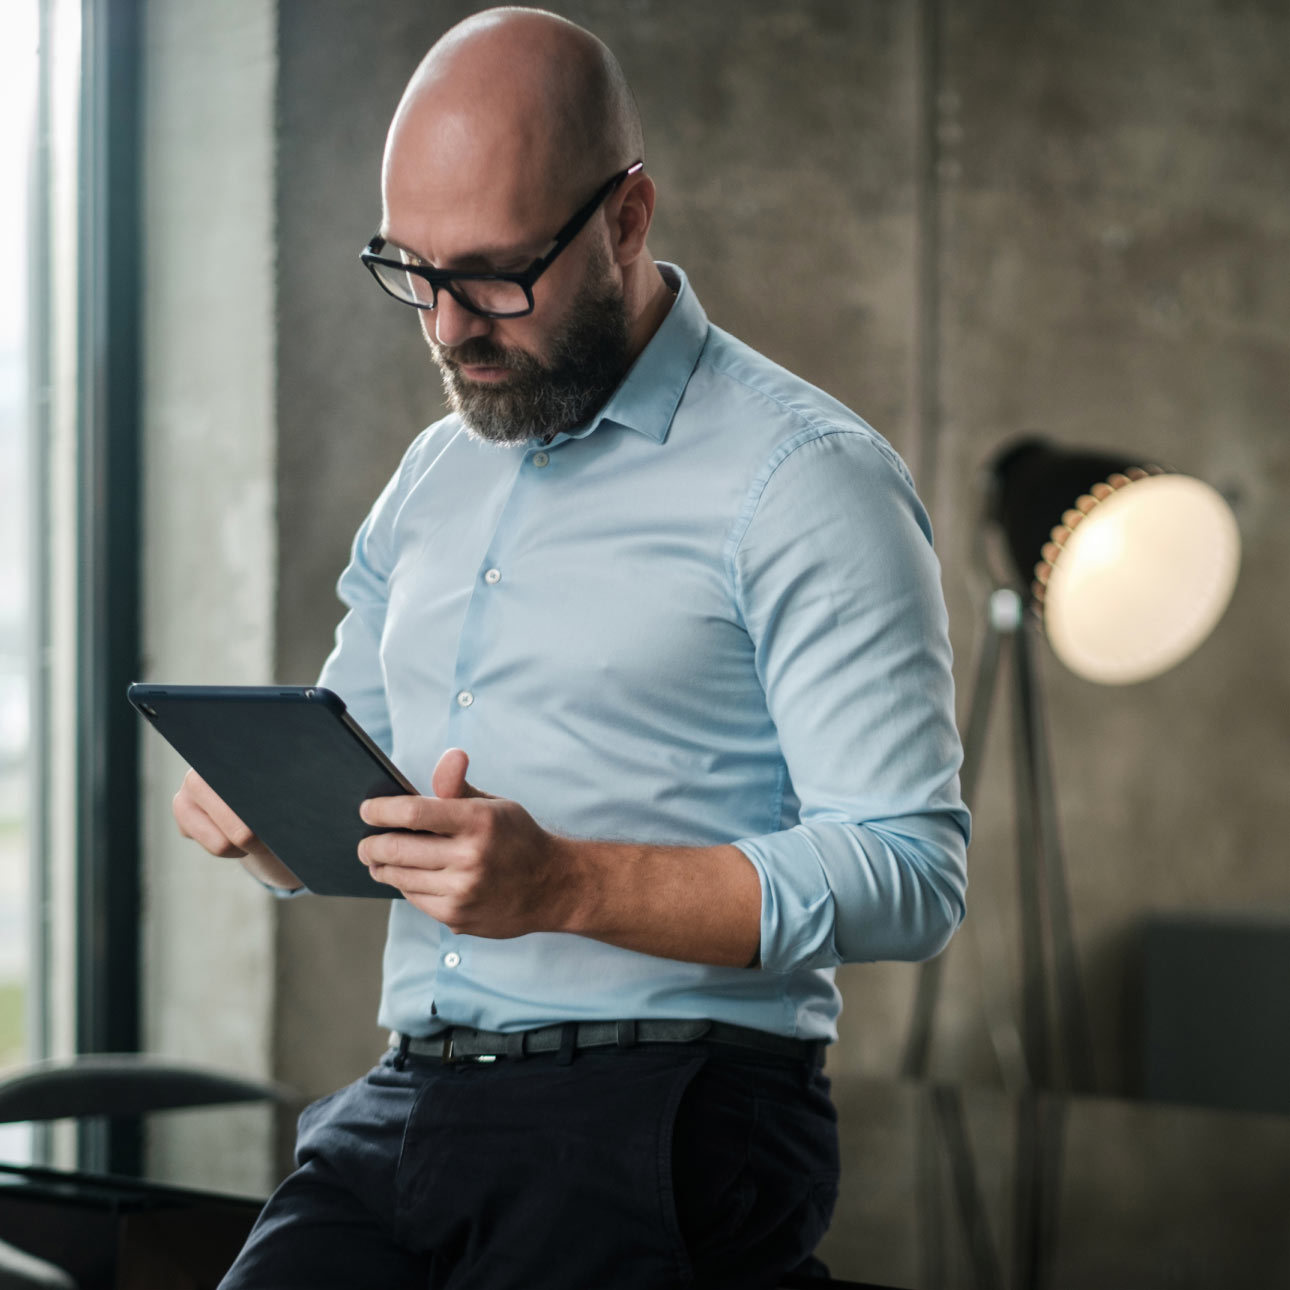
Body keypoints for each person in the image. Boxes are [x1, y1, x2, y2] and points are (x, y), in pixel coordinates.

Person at [174, 7, 969, 1288]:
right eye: (413, 274)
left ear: (628, 220)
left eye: (492, 275)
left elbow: (909, 875)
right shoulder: (432, 475)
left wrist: (567, 887)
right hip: (406, 1098)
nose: (447, 328)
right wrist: (277, 820)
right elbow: (374, 794)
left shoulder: (806, 480)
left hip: (670, 1117)